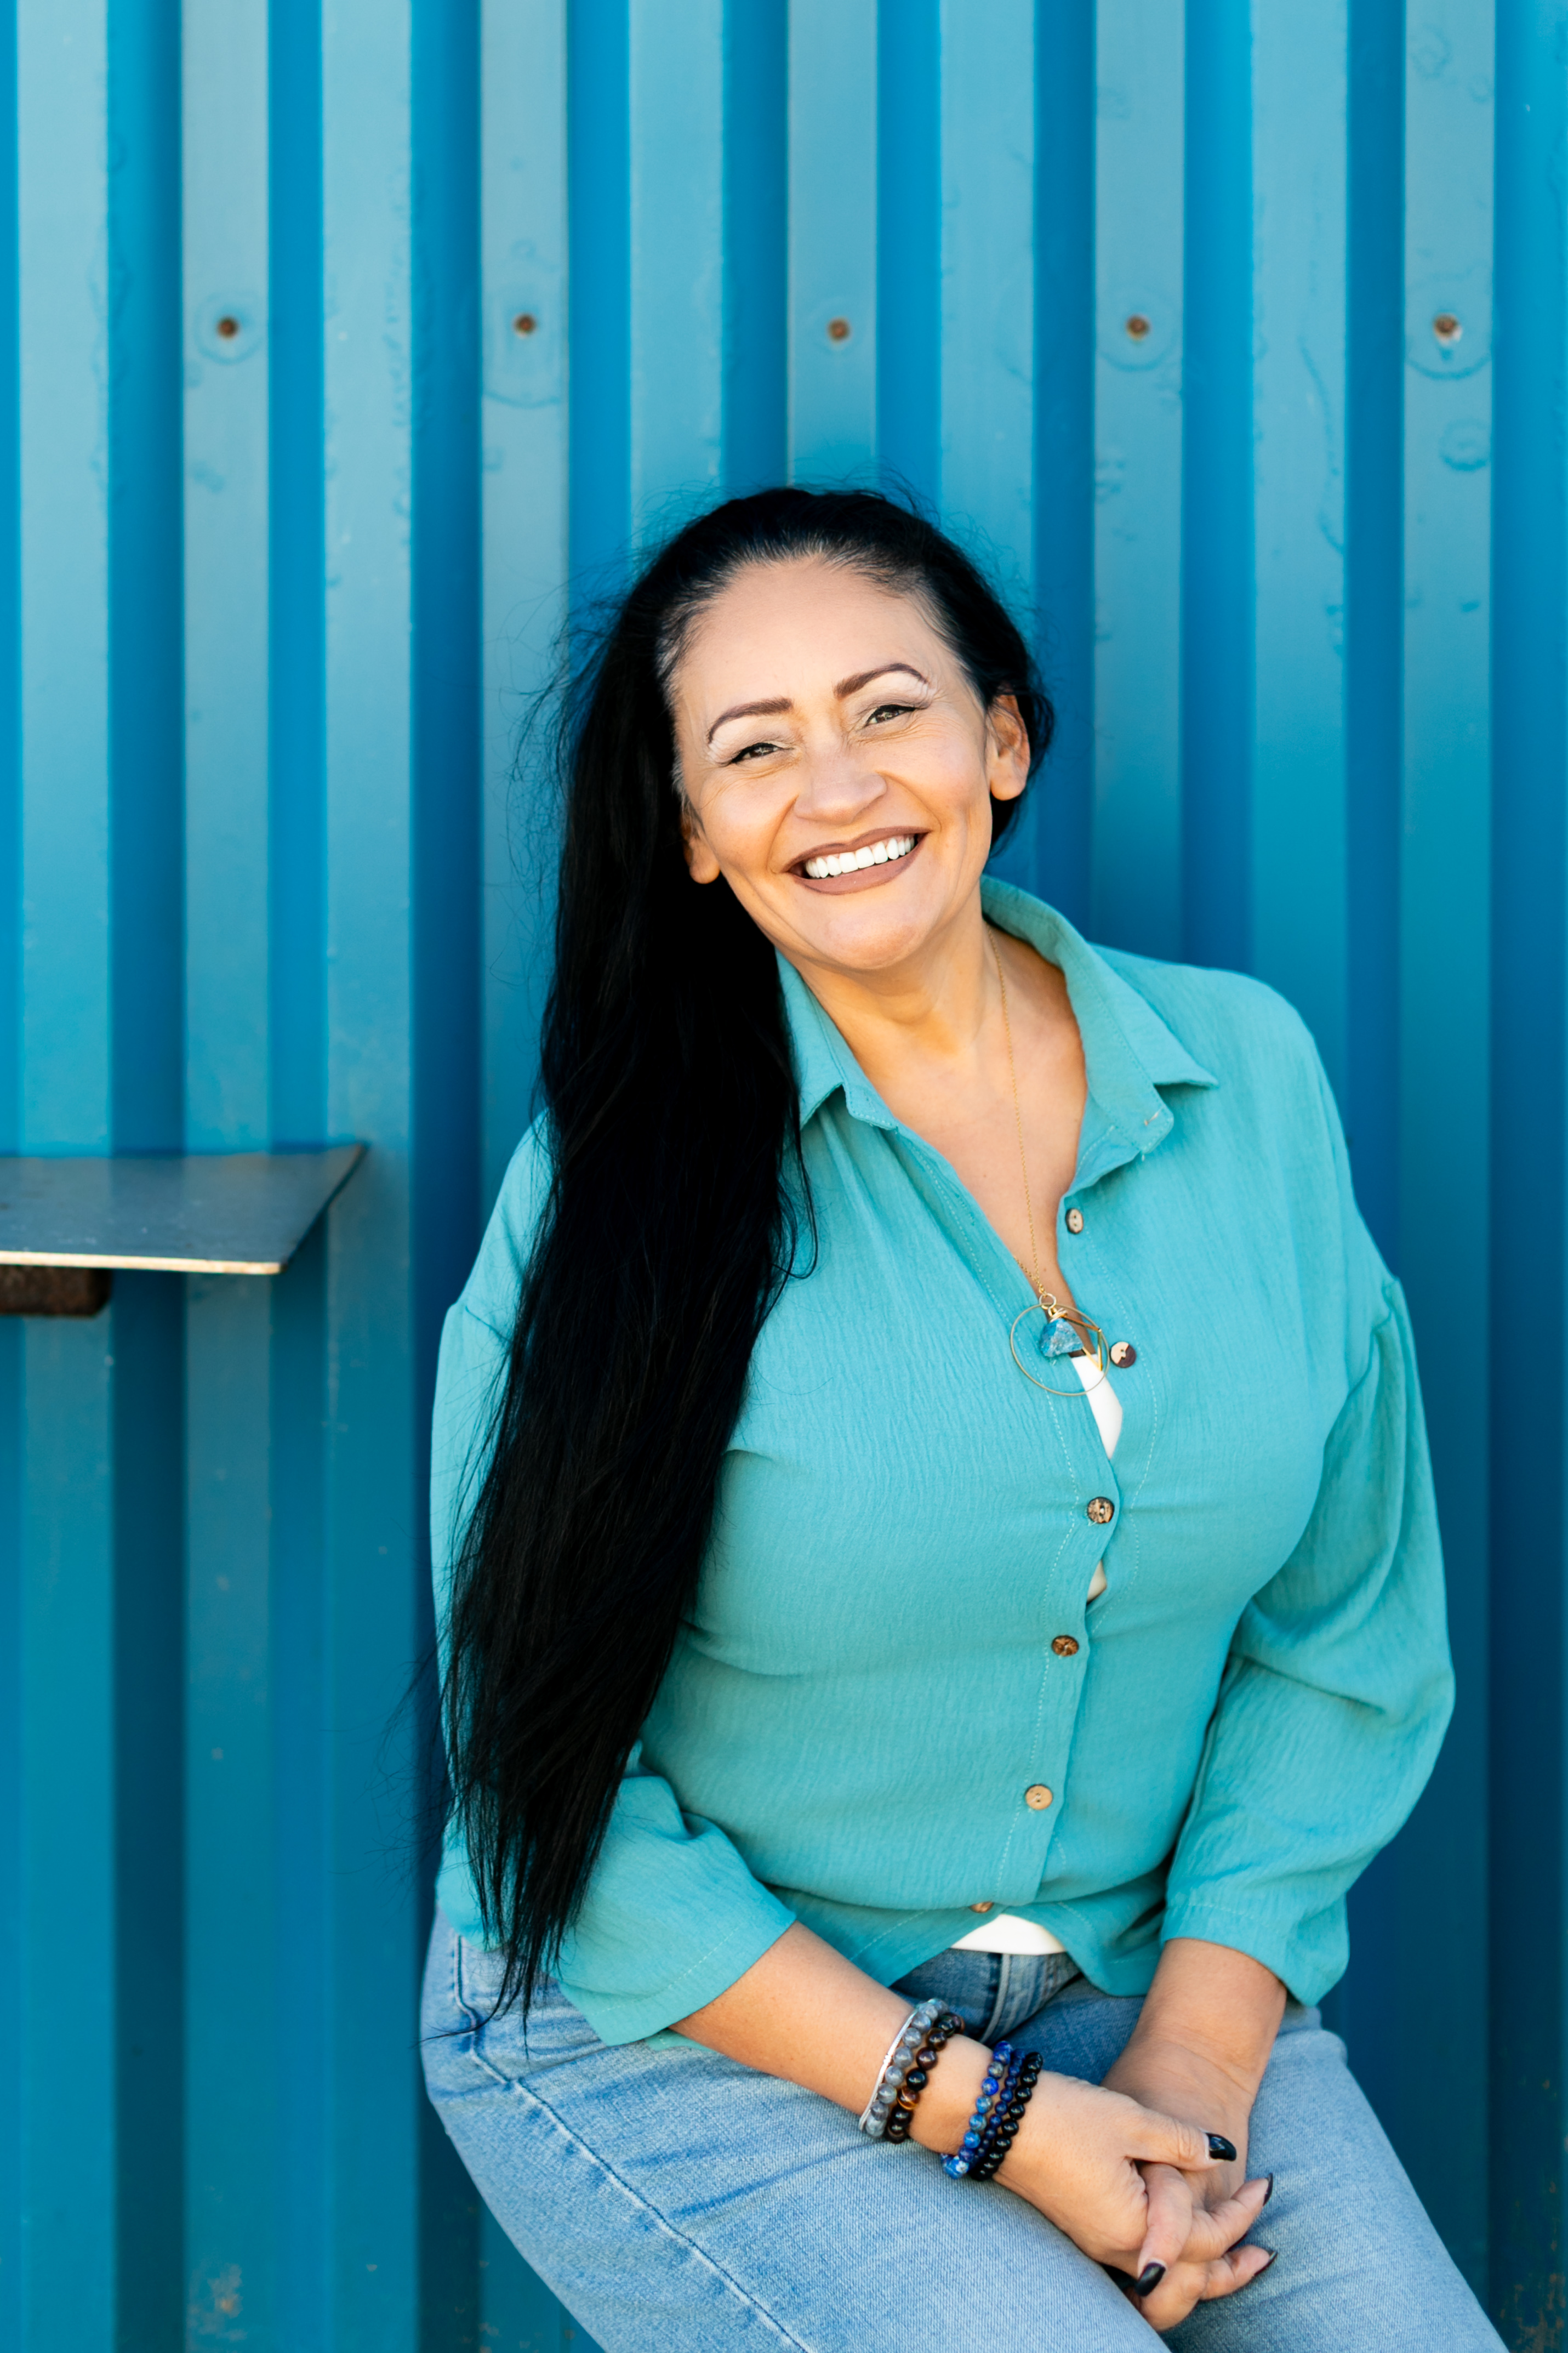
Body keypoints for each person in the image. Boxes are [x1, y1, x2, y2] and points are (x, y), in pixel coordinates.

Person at [421, 488, 1500, 2347]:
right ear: (692, 835)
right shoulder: (615, 1199)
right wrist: (997, 2122)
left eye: (888, 707)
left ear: (1000, 737)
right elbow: (554, 1793)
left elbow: (1345, 1634)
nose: (835, 786)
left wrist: (1189, 2069)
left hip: (1130, 1988)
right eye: (753, 749)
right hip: (696, 2015)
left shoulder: (1247, 1076)